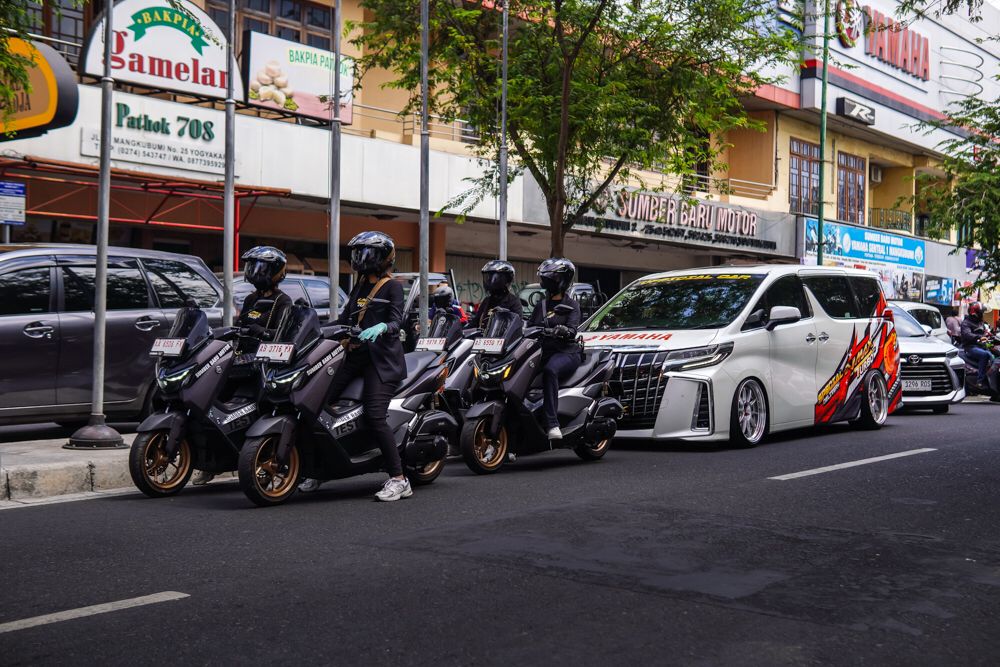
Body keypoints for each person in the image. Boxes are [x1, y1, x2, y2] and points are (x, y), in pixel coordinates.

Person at [299, 231, 411, 502]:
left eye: (367, 253)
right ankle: (319, 469)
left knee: (375, 416)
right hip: (353, 357)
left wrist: (383, 327)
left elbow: (398, 321)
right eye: (359, 253)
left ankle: (399, 479)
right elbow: (345, 317)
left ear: (384, 258)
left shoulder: (392, 286)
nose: (361, 258)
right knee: (313, 404)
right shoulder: (360, 284)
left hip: (381, 362)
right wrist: (313, 329)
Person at [194, 245, 292, 486]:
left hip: (265, 364)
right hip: (239, 360)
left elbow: (283, 335)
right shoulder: (251, 299)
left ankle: (260, 457)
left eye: (261, 267)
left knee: (255, 410)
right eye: (253, 267)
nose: (255, 272)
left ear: (276, 272)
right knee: (212, 407)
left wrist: (261, 332)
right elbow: (241, 326)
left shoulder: (283, 301)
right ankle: (213, 463)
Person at [527, 258, 581, 440]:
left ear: (563, 279)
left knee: (550, 371)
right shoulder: (540, 305)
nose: (549, 280)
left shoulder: (572, 305)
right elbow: (529, 328)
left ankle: (552, 424)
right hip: (543, 352)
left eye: (553, 276)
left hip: (567, 352)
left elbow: (573, 330)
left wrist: (564, 330)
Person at [471, 260, 522, 330]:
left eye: (495, 278)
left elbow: (517, 325)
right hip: (482, 338)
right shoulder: (487, 301)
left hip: (502, 339)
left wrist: (506, 315)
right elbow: (475, 322)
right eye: (488, 277)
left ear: (506, 279)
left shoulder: (513, 301)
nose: (489, 280)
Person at [960, 302, 994, 388]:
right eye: (981, 312)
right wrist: (979, 337)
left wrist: (991, 335)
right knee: (985, 355)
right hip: (970, 347)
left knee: (993, 355)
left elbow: (986, 332)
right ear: (976, 313)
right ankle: (980, 381)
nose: (982, 314)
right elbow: (967, 334)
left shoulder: (980, 322)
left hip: (981, 346)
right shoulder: (966, 323)